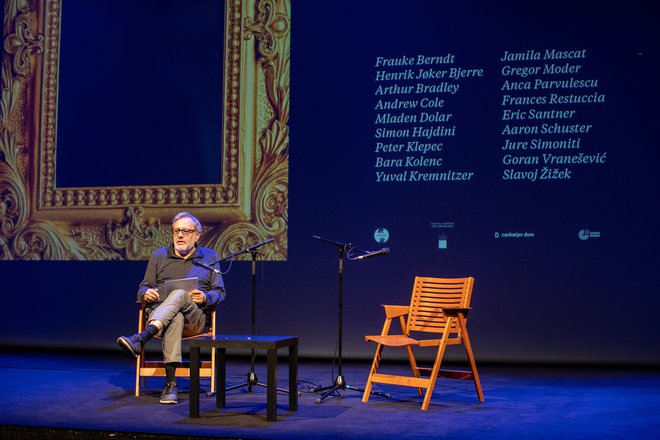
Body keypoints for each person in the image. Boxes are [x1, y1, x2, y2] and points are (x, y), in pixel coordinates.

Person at [117, 212, 226, 404]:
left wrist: (206, 296)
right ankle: (170, 384)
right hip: (165, 319)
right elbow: (143, 287)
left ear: (197, 235)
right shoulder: (159, 256)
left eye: (186, 231)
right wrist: (145, 294)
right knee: (175, 316)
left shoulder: (209, 256)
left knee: (180, 294)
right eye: (176, 231)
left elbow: (220, 292)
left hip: (195, 318)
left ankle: (143, 337)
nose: (180, 235)